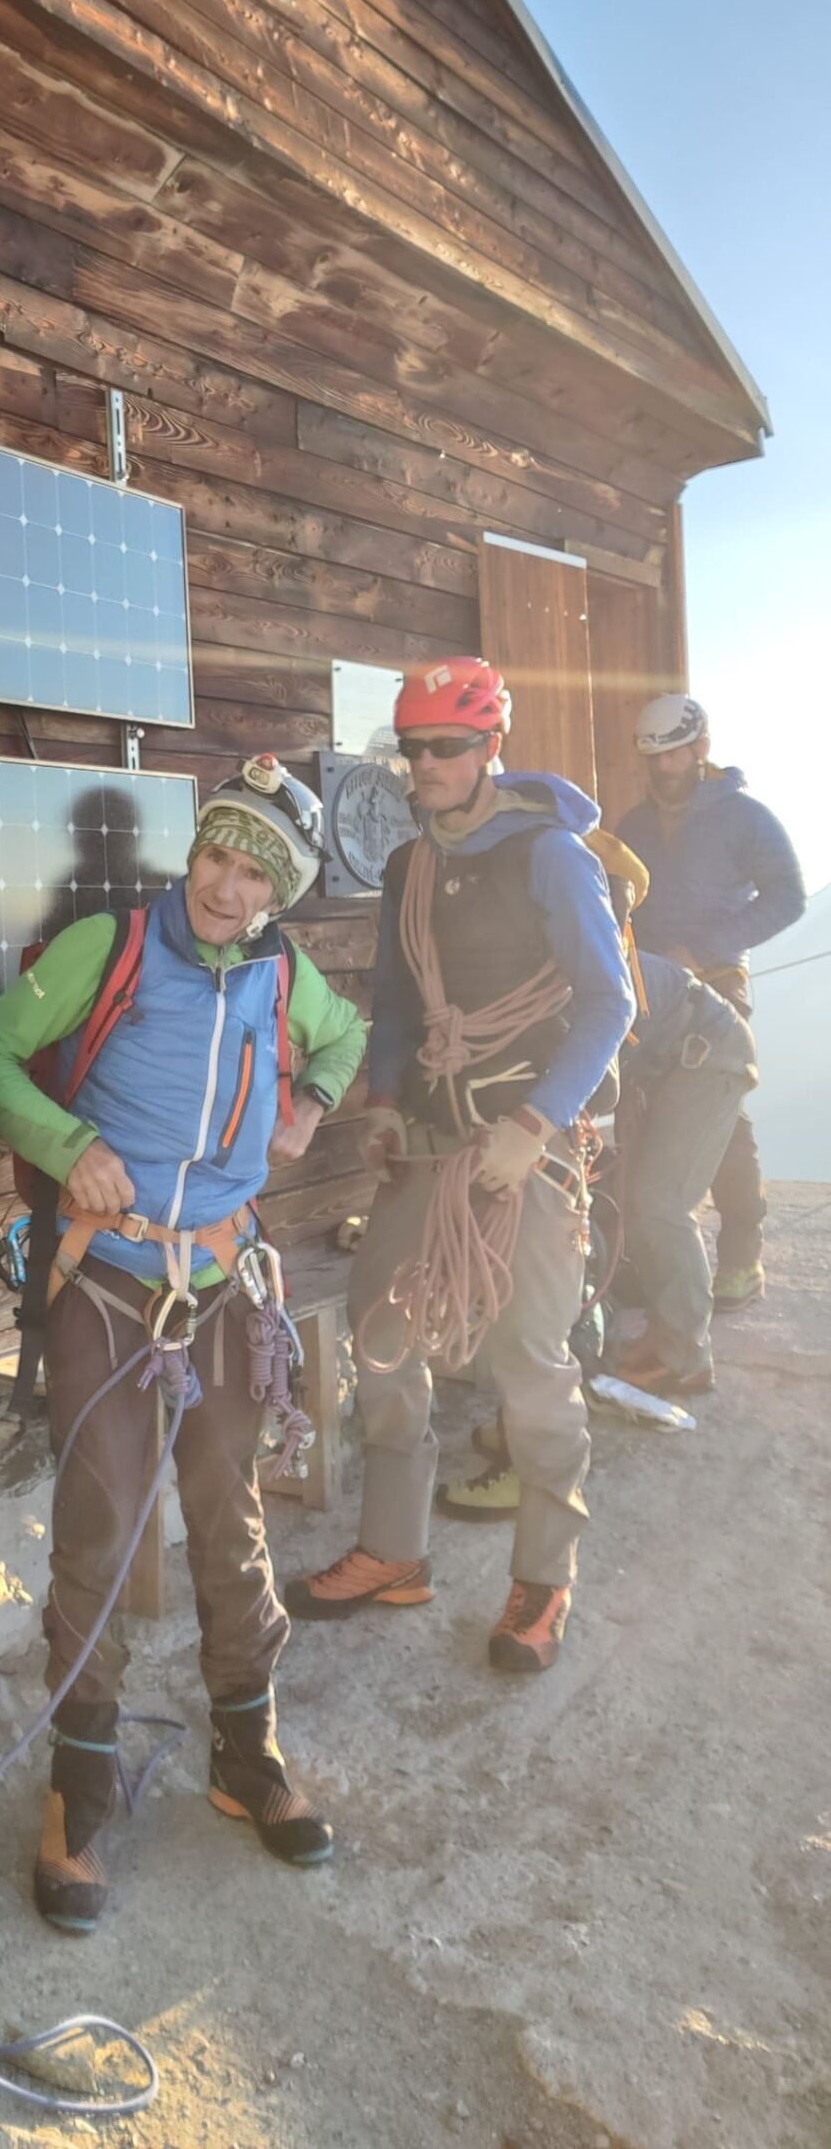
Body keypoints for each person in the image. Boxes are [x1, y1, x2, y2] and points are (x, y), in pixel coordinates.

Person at [0, 758, 366, 1931]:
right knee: (97, 1533)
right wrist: (62, 1143)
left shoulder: (284, 973)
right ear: (190, 852)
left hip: (222, 1278)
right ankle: (80, 1788)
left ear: (278, 893)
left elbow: (347, 1037)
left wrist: (309, 1107)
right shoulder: (111, 947)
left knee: (231, 1517)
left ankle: (246, 1752)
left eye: (257, 874)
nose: (228, 885)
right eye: (218, 856)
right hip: (106, 1276)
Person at [284, 658, 634, 1674]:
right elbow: (397, 1003)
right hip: (429, 1140)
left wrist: (538, 1119)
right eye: (414, 749)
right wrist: (384, 1102)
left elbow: (608, 1003)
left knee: (530, 1362)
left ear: (491, 749)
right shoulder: (407, 869)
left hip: (524, 1146)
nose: (426, 765)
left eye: (447, 746)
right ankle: (395, 1551)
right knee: (381, 1337)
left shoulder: (551, 856)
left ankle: (543, 1577)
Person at [438, 831, 754, 1516]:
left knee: (659, 1203)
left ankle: (686, 1351)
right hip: (679, 1063)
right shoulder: (561, 967)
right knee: (625, 1202)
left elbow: (598, 1075)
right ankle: (620, 1359)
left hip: (709, 1060)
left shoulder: (604, 972)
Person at [616, 694, 804, 1312]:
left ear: (700, 748)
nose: (662, 767)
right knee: (643, 1111)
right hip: (647, 990)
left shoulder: (745, 819)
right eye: (653, 757)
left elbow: (788, 899)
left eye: (672, 753)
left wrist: (706, 947)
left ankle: (741, 1259)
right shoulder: (634, 828)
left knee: (720, 1118)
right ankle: (655, 1259)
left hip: (718, 981)